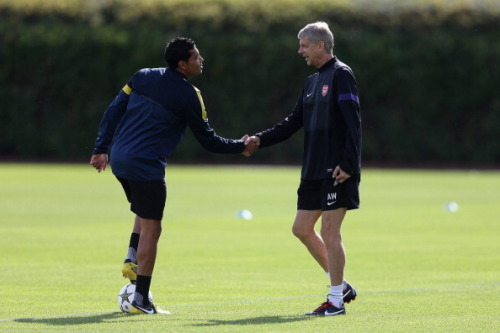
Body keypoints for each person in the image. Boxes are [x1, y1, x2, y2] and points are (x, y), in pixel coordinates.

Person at [90, 37, 257, 314]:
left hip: (120, 159)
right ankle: (141, 299)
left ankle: (131, 257)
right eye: (196, 57)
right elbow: (209, 141)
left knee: (144, 211)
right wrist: (242, 146)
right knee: (153, 228)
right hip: (146, 165)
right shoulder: (190, 94)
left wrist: (100, 148)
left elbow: (113, 111)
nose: (201, 60)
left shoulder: (142, 76)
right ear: (182, 64)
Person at [245, 21, 361, 316]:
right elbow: (292, 122)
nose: (300, 51)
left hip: (337, 170)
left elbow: (353, 122)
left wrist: (348, 164)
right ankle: (342, 286)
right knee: (301, 228)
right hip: (312, 169)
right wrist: (260, 139)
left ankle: (335, 302)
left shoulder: (341, 75)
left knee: (330, 232)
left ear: (321, 45)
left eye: (304, 46)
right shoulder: (311, 82)